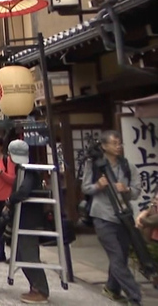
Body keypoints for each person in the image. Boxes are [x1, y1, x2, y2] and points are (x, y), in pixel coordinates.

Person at [81, 130, 143, 306]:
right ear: (104, 146)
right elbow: (85, 188)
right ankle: (135, 296)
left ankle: (112, 288)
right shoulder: (94, 165)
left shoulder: (127, 166)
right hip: (102, 216)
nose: (118, 146)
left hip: (123, 217)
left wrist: (127, 189)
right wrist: (98, 185)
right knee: (116, 256)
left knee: (121, 257)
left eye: (119, 143)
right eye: (114, 143)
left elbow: (136, 191)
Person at [1, 139, 50, 304]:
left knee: (28, 255)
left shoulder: (28, 171)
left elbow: (23, 192)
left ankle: (41, 290)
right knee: (21, 255)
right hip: (25, 217)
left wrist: (10, 200)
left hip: (29, 219)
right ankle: (35, 286)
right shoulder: (24, 169)